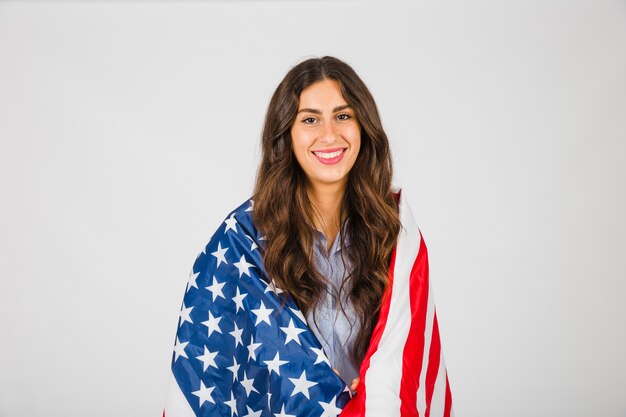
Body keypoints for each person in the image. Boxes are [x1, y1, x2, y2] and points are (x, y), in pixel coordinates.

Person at [163, 56, 453, 417]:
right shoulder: (241, 243)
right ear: (287, 132)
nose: (329, 134)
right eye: (310, 119)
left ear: (364, 126)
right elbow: (215, 369)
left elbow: (405, 355)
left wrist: (379, 385)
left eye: (343, 116)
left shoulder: (392, 234)